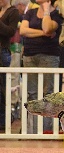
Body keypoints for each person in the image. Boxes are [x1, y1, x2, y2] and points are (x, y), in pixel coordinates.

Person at [20, 0, 62, 134]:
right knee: (31, 93)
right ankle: (32, 130)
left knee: (48, 93)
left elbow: (47, 27)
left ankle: (46, 130)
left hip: (49, 56)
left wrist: (46, 12)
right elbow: (23, 30)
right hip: (29, 55)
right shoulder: (30, 12)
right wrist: (43, 34)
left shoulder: (56, 14)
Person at [0, 0, 19, 129]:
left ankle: (3, 120)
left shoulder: (13, 12)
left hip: (2, 51)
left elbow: (11, 32)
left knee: (1, 88)